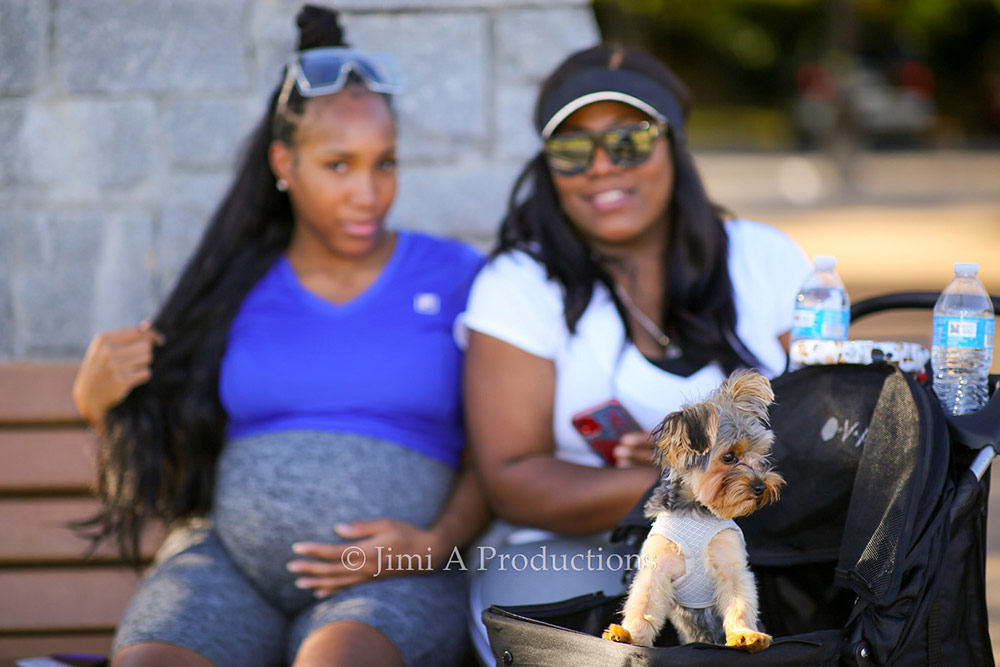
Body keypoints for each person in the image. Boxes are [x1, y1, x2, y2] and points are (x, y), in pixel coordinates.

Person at [70, 5, 488, 666]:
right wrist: (102, 407)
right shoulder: (233, 287)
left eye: (386, 164)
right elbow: (181, 464)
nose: (369, 193)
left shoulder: (459, 275)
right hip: (230, 568)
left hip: (395, 573)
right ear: (283, 162)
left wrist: (433, 543)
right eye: (338, 165)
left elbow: (500, 447)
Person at [459, 43, 813, 660]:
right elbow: (513, 480)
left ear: (672, 144)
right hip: (572, 553)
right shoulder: (519, 284)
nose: (600, 166)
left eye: (629, 140)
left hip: (765, 549)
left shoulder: (764, 258)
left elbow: (823, 426)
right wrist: (678, 474)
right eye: (571, 148)